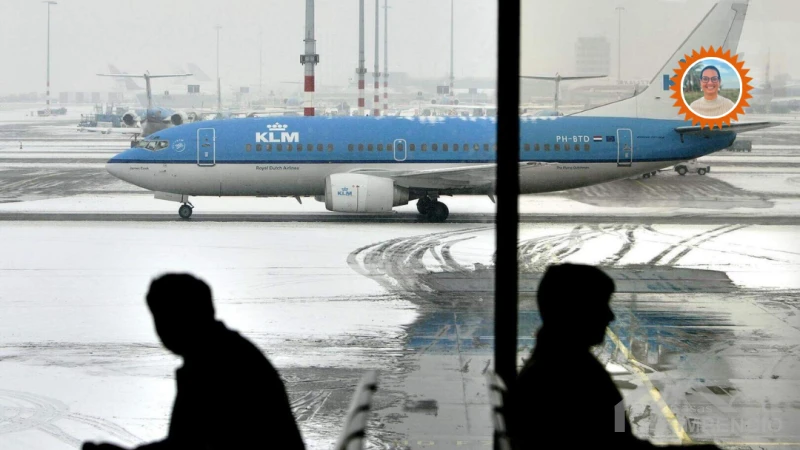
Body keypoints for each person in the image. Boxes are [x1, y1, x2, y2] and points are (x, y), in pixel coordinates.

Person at [506, 263, 720, 449]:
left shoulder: (560, 368)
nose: (610, 315)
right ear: (575, 310)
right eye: (600, 304)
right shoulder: (572, 375)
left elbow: (618, 438)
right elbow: (619, 445)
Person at [83, 273, 305, 450]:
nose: (161, 330)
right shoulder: (224, 352)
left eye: (165, 318)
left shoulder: (213, 365)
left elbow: (186, 445)